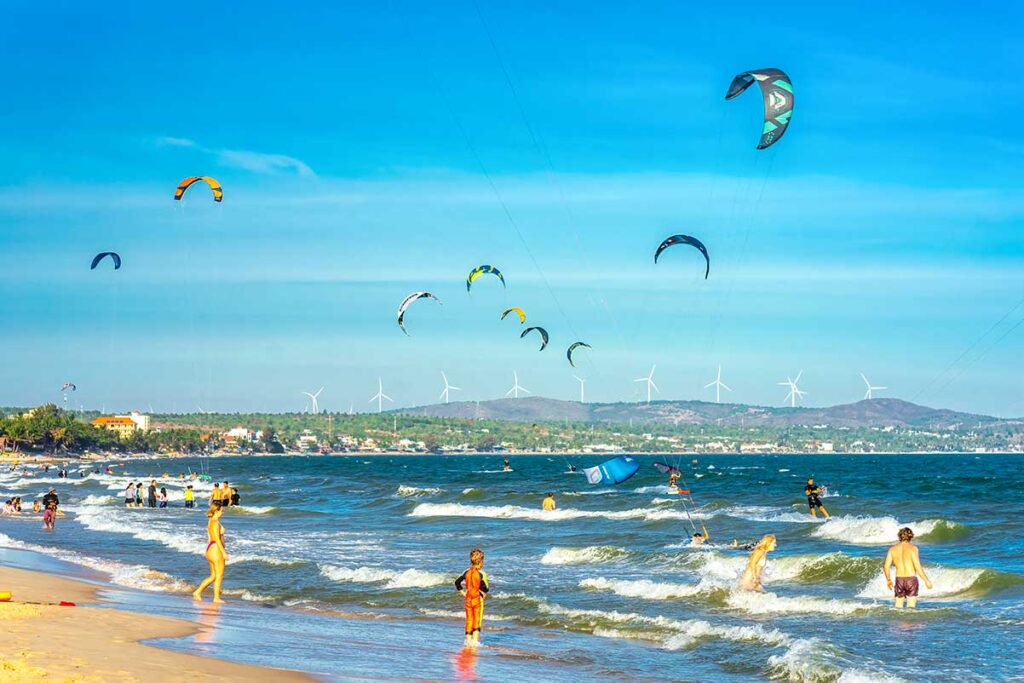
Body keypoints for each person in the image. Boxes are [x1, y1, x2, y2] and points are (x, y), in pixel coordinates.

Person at [883, 527, 933, 609]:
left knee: (898, 608)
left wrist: (888, 580)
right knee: (911, 608)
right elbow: (917, 566)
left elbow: (886, 566)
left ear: (899, 536)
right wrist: (926, 581)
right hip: (911, 580)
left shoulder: (892, 549)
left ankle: (898, 622)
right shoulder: (913, 549)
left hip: (899, 579)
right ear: (910, 536)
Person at [193, 505, 227, 603]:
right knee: (219, 575)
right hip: (216, 549)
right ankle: (216, 598)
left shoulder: (210, 521)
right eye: (221, 511)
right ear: (216, 511)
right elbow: (216, 538)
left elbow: (210, 538)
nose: (222, 513)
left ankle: (197, 592)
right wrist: (224, 552)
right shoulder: (215, 523)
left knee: (213, 576)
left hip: (211, 548)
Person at [455, 548, 489, 647]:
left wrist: (463, 593)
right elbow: (486, 588)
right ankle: (475, 642)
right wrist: (482, 594)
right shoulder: (482, 573)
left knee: (469, 619)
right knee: (477, 620)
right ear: (481, 561)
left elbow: (457, 582)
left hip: (468, 598)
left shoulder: (466, 572)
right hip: (477, 599)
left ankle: (468, 641)